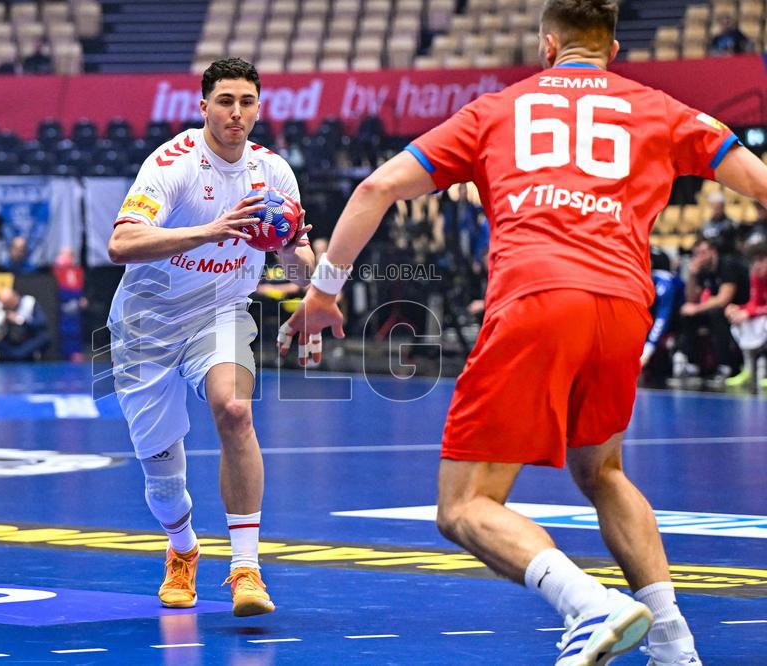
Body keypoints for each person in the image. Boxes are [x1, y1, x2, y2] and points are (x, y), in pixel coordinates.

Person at [282, 1, 767, 663]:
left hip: (537, 298)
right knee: (602, 470)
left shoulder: (495, 111)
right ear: (612, 51)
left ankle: (589, 604)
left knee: (463, 507)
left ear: (547, 46)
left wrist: (323, 291)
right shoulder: (660, 108)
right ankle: (673, 645)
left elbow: (375, 189)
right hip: (624, 306)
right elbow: (758, 183)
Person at [105, 58, 314, 617]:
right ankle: (182, 548)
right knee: (163, 478)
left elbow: (302, 270)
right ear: (203, 107)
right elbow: (120, 245)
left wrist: (293, 248)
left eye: (247, 102)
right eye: (225, 101)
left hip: (221, 312)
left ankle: (246, 569)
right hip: (145, 323)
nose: (236, 113)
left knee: (235, 410)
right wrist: (212, 231)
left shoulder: (274, 174)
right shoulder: (172, 163)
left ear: (259, 109)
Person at [675, 238, 749, 382]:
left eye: (703, 253)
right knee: (687, 315)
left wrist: (696, 308)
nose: (699, 257)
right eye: (696, 254)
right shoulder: (703, 270)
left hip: (741, 307)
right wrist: (692, 274)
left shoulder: (727, 264)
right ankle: (692, 365)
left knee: (714, 313)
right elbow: (691, 298)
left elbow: (724, 299)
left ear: (713, 251)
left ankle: (726, 366)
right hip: (722, 310)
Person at [724, 240, 767, 389]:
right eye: (754, 261)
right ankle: (749, 369)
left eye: (761, 260)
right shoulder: (756, 276)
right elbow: (756, 303)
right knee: (739, 322)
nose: (757, 265)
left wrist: (748, 312)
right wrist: (739, 309)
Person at [0, 287, 51, 361]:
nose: (6, 306)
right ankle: (10, 355)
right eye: (4, 304)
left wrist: (19, 320)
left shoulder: (28, 303)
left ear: (15, 297)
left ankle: (9, 355)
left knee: (42, 339)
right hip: (10, 340)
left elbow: (41, 323)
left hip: (28, 338)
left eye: (8, 302)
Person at [698, 190, 737, 256]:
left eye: (719, 206)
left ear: (723, 207)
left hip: (724, 256)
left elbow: (725, 242)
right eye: (715, 206)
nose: (717, 209)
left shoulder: (729, 224)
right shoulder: (705, 225)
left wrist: (709, 244)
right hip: (707, 255)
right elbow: (700, 239)